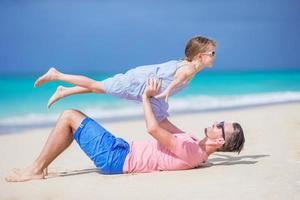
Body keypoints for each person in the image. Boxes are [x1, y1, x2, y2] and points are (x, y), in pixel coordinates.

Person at [5, 78, 245, 182]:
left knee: (69, 116)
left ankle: (35, 170)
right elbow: (162, 122)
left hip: (116, 159)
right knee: (73, 122)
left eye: (220, 126)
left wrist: (144, 97)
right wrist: (159, 97)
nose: (216, 123)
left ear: (221, 142)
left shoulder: (192, 151)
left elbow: (152, 128)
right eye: (220, 121)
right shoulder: (193, 143)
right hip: (122, 148)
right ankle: (40, 165)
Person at [34, 35, 217, 122]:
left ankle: (64, 91)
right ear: (200, 56)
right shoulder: (190, 68)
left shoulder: (188, 66)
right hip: (136, 83)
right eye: (212, 53)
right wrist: (167, 93)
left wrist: (165, 94)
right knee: (96, 85)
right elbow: (178, 79)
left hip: (141, 83)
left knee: (99, 88)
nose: (214, 56)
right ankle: (56, 75)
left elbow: (175, 79)